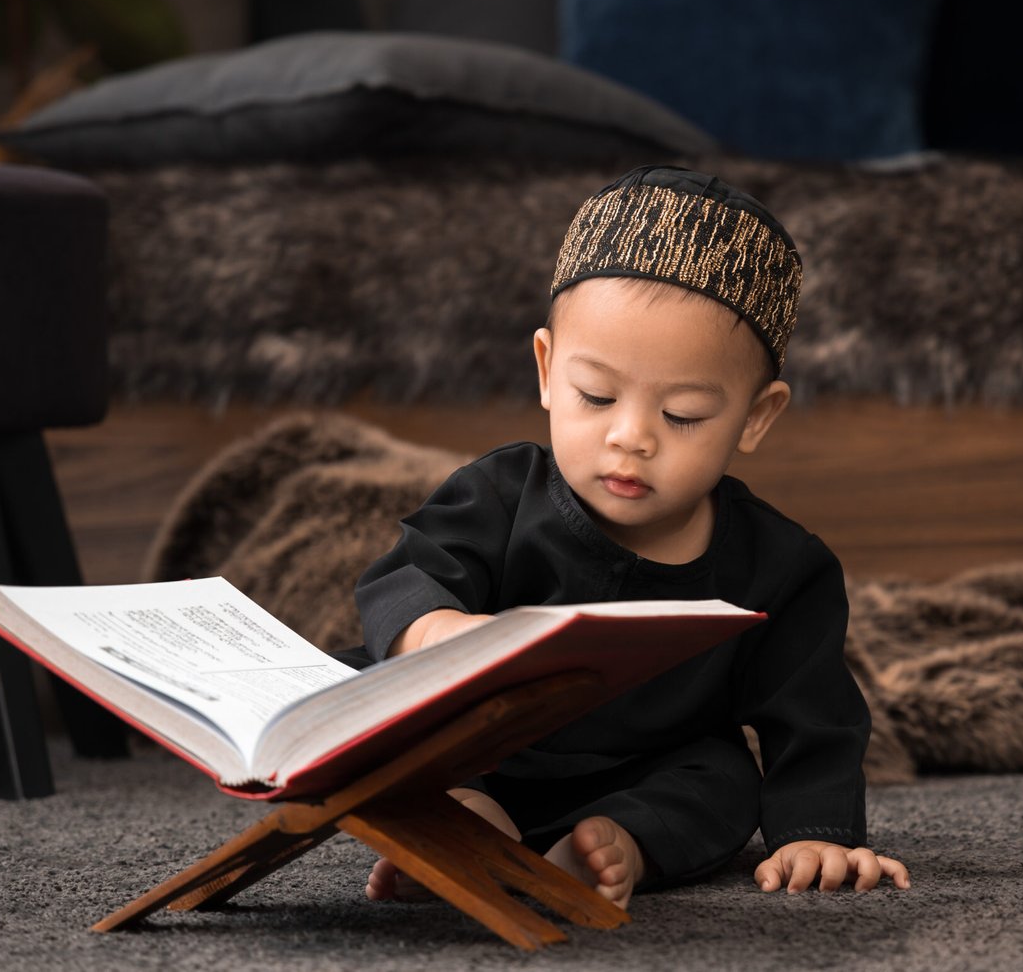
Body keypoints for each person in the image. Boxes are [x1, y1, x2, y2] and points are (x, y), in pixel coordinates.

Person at [347, 165, 909, 909]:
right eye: (597, 396)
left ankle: (618, 843)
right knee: (359, 692)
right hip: (482, 749)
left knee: (722, 778)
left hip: (645, 773)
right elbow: (406, 574)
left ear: (756, 416)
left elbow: (814, 717)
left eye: (682, 414)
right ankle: (463, 816)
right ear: (548, 370)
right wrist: (437, 630)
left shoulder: (782, 567)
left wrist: (817, 831)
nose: (631, 437)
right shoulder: (500, 493)